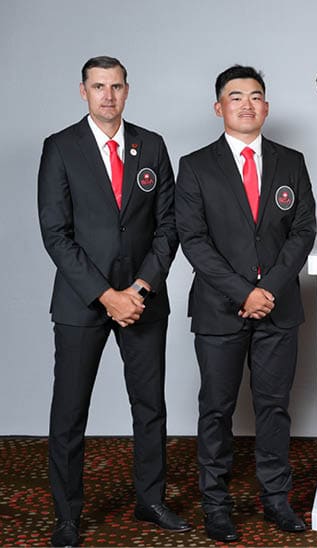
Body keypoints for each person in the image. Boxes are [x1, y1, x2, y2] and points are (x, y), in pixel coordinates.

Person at [38, 56, 187, 547]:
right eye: (99, 86)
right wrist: (107, 296)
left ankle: (151, 499)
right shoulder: (60, 148)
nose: (108, 95)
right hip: (83, 302)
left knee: (150, 407)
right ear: (83, 91)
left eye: (116, 86)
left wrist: (140, 289)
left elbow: (168, 227)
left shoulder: (153, 146)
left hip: (144, 299)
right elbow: (56, 235)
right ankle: (67, 515)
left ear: (128, 90)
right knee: (69, 411)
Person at [175, 65, 317, 542]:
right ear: (219, 107)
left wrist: (269, 290)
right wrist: (243, 292)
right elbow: (193, 240)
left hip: (277, 308)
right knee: (216, 408)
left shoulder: (290, 162)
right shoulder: (195, 166)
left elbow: (303, 231)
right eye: (236, 97)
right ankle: (216, 504)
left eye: (255, 96)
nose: (246, 105)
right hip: (220, 309)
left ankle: (276, 500)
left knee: (274, 408)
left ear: (266, 106)